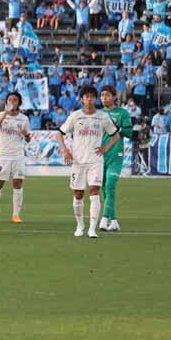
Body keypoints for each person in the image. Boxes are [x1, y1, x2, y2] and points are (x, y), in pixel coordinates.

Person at [55, 85, 120, 238]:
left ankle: (92, 229)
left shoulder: (102, 116)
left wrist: (105, 147)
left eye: (91, 96)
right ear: (82, 99)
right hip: (78, 161)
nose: (89, 99)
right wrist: (65, 150)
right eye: (86, 97)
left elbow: (115, 135)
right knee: (78, 194)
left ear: (95, 99)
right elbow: (59, 133)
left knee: (94, 192)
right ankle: (80, 225)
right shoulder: (75, 116)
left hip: (95, 161)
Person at [0, 92, 31, 223]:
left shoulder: (24, 119)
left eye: (15, 100)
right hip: (3, 156)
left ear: (19, 103)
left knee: (18, 184)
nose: (12, 102)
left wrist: (26, 135)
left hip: (18, 156)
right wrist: (5, 113)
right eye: (10, 100)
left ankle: (16, 214)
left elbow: (28, 139)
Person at [99, 86, 133, 232]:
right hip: (100, 156)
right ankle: (114, 221)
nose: (104, 98)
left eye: (107, 95)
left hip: (116, 155)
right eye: (102, 95)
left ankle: (104, 218)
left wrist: (118, 129)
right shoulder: (98, 114)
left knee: (110, 186)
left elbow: (130, 132)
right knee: (104, 188)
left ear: (114, 97)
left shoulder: (122, 113)